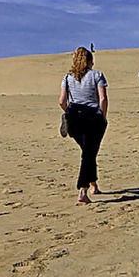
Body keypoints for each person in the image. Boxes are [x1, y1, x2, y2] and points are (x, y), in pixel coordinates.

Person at [59, 47, 109, 204]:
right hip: (92, 118)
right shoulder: (97, 75)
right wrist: (102, 116)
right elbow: (103, 99)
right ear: (89, 61)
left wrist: (70, 113)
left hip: (74, 119)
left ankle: (94, 184)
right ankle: (83, 189)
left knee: (89, 151)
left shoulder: (67, 78)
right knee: (88, 153)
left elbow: (61, 101)